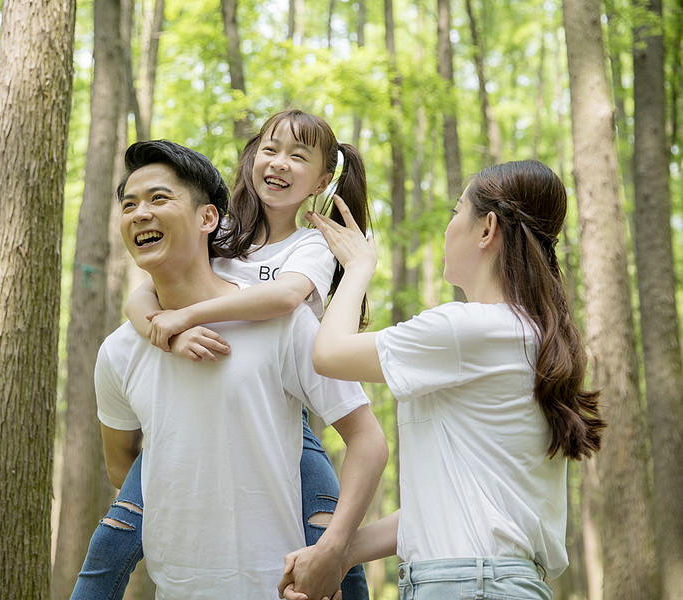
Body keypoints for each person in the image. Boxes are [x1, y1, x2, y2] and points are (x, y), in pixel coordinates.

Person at [72, 110, 378, 600]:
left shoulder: (311, 246)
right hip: (195, 420)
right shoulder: (226, 232)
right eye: (269, 150)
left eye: (297, 157)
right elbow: (146, 292)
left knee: (328, 531)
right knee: (115, 533)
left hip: (282, 413)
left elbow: (281, 301)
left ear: (323, 179)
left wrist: (188, 319)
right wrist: (166, 332)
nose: (278, 164)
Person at [279, 160, 606, 600]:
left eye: (457, 211)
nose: (449, 227)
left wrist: (357, 266)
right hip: (490, 582)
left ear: (487, 228)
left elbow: (329, 352)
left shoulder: (471, 329)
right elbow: (442, 511)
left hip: (468, 585)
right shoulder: (531, 337)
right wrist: (336, 554)